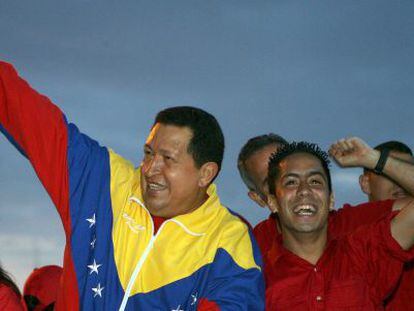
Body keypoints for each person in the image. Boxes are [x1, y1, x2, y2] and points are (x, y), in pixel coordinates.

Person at [0, 61, 264, 310]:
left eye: (168, 159)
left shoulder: (229, 241)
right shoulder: (104, 181)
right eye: (148, 153)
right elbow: (27, 113)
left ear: (205, 174)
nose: (150, 169)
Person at [265, 139, 414, 309]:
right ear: (273, 202)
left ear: (331, 199)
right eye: (291, 182)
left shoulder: (364, 252)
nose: (304, 190)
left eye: (315, 181)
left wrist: (374, 159)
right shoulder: (258, 278)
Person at [237, 134, 395, 262]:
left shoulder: (354, 225)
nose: (302, 190)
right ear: (258, 198)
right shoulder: (252, 251)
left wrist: (374, 160)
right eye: (271, 180)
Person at [358, 140, 414, 310]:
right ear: (365, 183)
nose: (400, 182)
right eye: (389, 173)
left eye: (404, 172)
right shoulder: (341, 227)